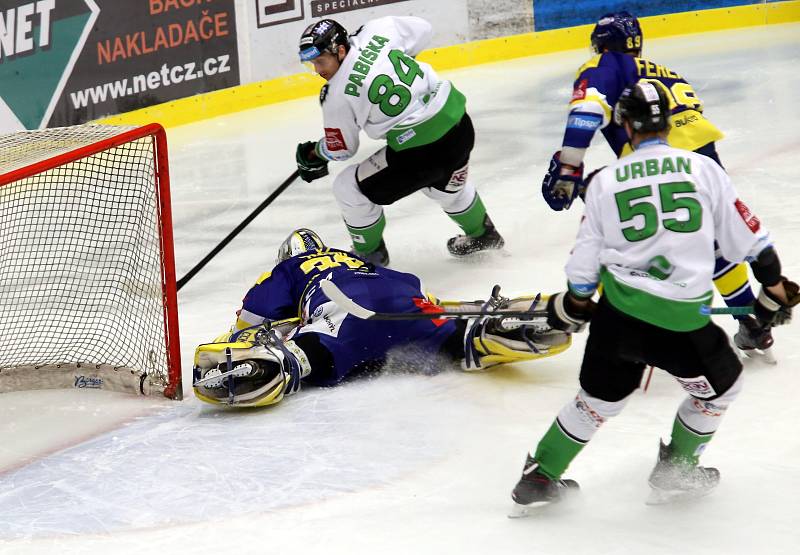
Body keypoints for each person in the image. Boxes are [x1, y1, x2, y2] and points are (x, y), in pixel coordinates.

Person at [511, 82, 798, 513]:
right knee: (721, 390)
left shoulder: (604, 182)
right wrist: (773, 291)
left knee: (596, 402)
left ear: (625, 125)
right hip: (681, 323)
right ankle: (676, 472)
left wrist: (577, 304)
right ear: (666, 122)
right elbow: (753, 243)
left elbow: (583, 264)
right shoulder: (702, 169)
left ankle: (539, 478)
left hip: (619, 317)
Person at [539, 11, 771, 357]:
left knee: (622, 226)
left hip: (660, 161)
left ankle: (631, 319)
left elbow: (587, 112)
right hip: (705, 158)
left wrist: (570, 166)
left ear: (603, 45)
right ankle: (749, 317)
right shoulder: (665, 72)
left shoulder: (607, 65)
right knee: (713, 239)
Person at [193, 229, 570, 407]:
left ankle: (268, 369)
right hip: (402, 297)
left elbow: (253, 318)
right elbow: (423, 296)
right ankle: (490, 329)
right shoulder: (354, 260)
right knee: (453, 339)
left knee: (308, 354)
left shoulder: (291, 267)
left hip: (344, 311)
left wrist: (242, 340)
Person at [294, 17, 504, 267]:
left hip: (419, 154)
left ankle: (370, 256)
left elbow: (342, 150)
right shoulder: (377, 30)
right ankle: (483, 234)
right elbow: (425, 28)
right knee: (445, 185)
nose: (318, 70)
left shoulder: (336, 94)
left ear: (340, 51)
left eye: (320, 61)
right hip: (459, 126)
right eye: (312, 64)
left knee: (347, 186)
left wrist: (316, 153)